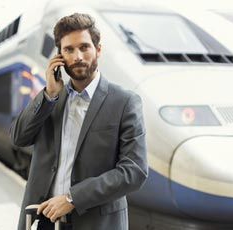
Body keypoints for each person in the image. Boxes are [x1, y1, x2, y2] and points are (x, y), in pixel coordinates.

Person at [10, 13, 148, 230]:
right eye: (69, 50)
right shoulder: (51, 98)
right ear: (59, 56)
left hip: (96, 224)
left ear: (98, 50)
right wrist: (48, 95)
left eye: (84, 47)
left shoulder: (124, 101)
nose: (77, 56)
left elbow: (134, 170)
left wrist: (73, 198)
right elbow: (18, 138)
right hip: (43, 221)